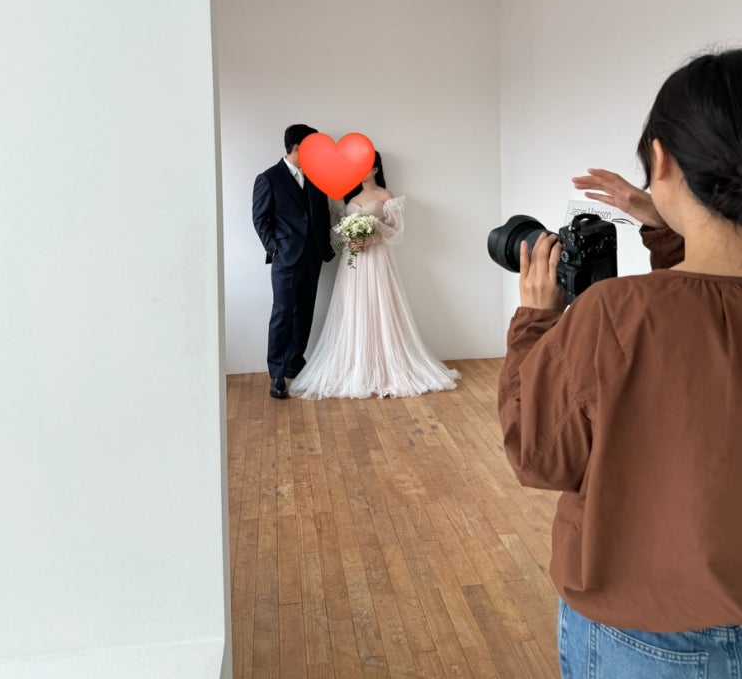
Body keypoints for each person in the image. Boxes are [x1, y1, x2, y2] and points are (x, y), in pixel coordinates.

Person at [498, 47, 742, 678]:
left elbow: (538, 453)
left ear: (661, 159)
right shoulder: (631, 312)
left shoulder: (615, 312)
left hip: (648, 633)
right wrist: (669, 227)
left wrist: (535, 321)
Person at [289, 151, 460, 399]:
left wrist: (370, 238)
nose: (360, 171)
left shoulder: (385, 196)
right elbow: (339, 230)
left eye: (365, 166)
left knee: (379, 305)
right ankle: (355, 364)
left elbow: (396, 231)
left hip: (377, 259)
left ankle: (385, 365)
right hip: (354, 263)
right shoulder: (351, 198)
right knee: (354, 307)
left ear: (375, 170)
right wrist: (349, 239)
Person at [252, 124, 335, 399]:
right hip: (285, 258)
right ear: (298, 147)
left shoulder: (316, 177)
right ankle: (276, 373)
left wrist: (324, 244)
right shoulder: (269, 178)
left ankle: (294, 362)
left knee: (305, 313)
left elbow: (321, 213)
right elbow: (260, 219)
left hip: (313, 256)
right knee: (282, 314)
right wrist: (274, 249)